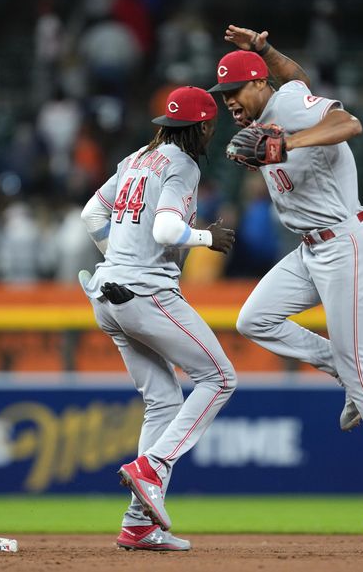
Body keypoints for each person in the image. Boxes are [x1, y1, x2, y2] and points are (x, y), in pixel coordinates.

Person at [209, 26, 363, 539]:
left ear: (259, 86)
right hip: (311, 250)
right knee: (253, 319)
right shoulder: (276, 103)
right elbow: (298, 82)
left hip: (347, 243)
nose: (229, 104)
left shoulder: (286, 109)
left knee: (361, 372)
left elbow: (347, 122)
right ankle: (350, 368)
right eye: (223, 97)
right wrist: (264, 50)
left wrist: (286, 143)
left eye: (235, 92)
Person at [79, 86, 237, 552]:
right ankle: (154, 466)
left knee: (164, 402)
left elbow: (92, 214)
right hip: (146, 293)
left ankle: (139, 525)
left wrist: (118, 259)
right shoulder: (183, 164)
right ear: (205, 127)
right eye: (210, 125)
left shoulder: (136, 158)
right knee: (220, 378)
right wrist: (208, 237)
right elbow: (167, 229)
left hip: (106, 294)